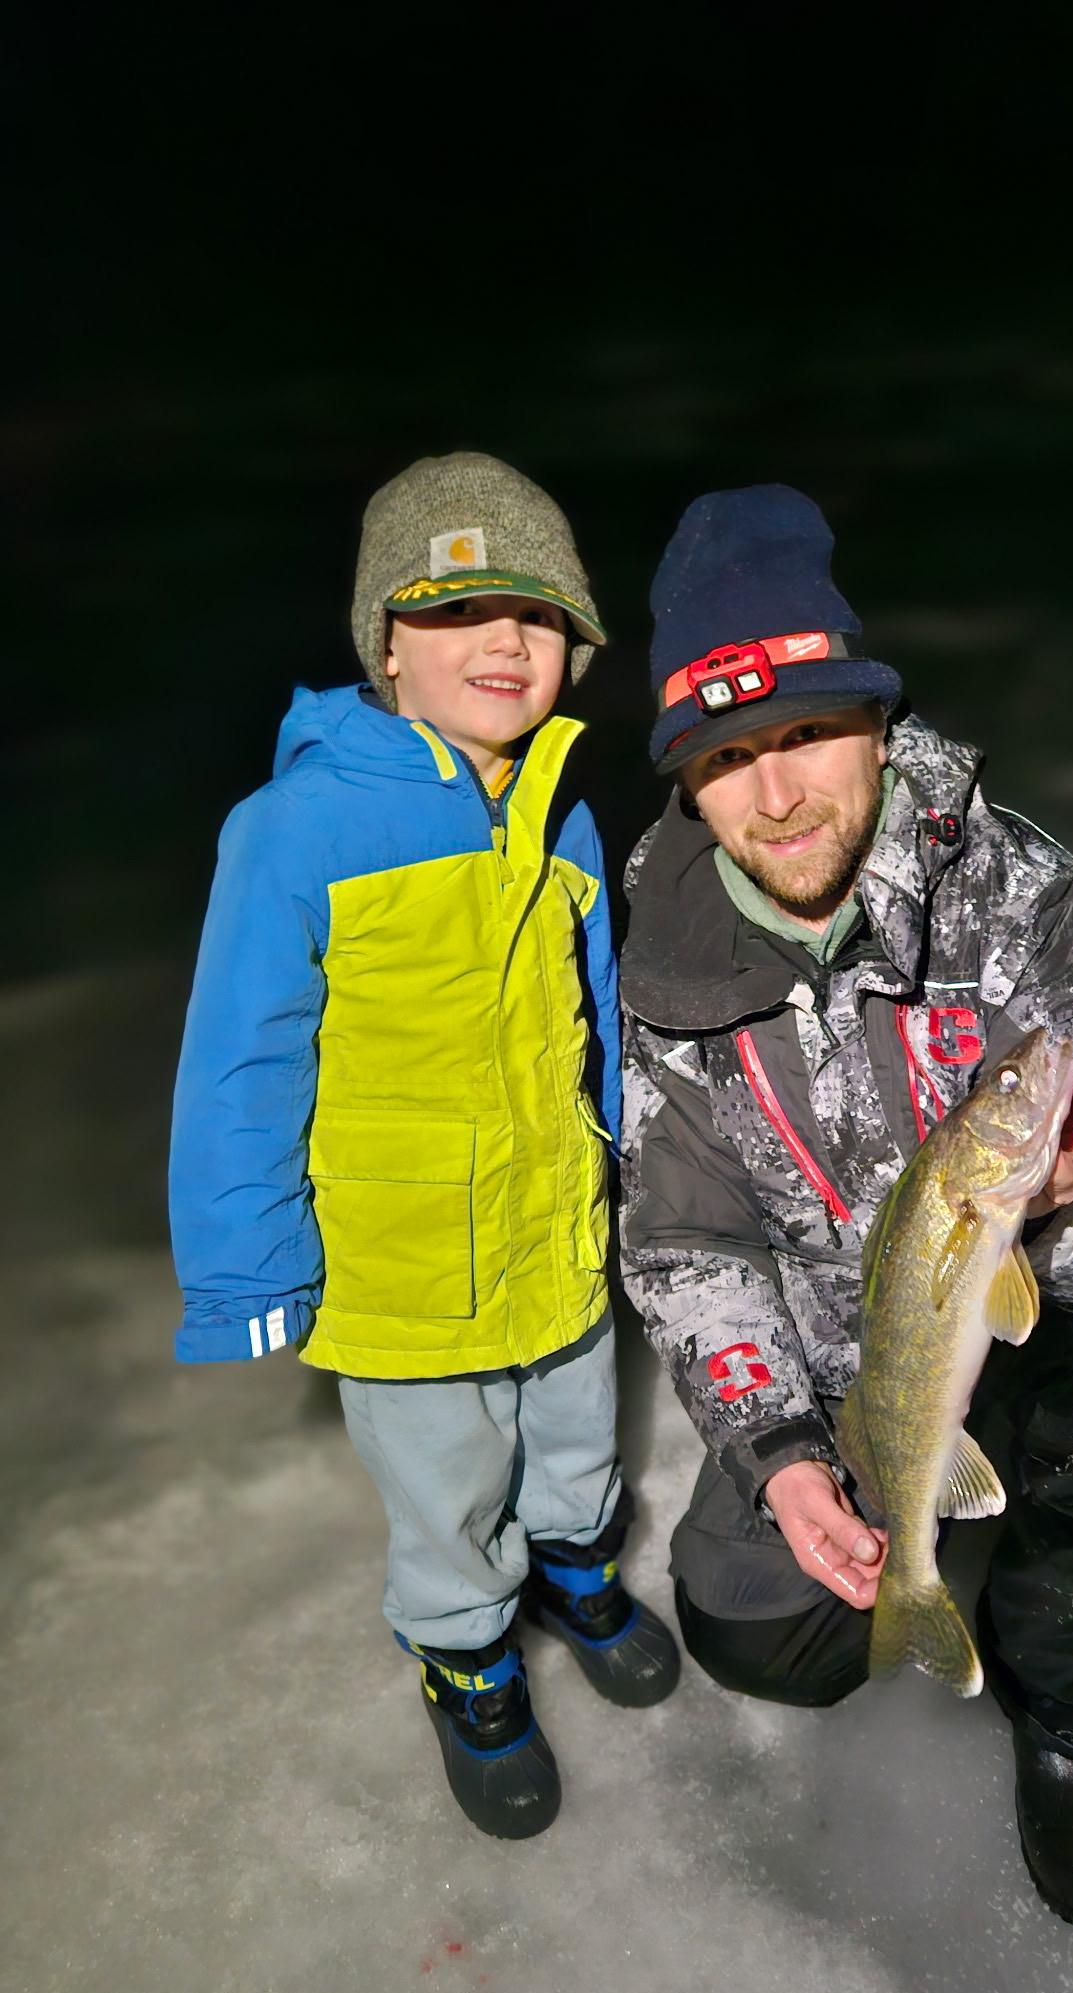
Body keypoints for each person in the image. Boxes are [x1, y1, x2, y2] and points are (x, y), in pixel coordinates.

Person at [618, 484, 1073, 1925]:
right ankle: (924, 1539)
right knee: (761, 1636)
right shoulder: (660, 959)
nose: (775, 795)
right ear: (683, 775)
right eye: (726, 757)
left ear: (874, 718)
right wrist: (785, 1451)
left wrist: (1072, 1201)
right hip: (848, 1365)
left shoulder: (1020, 893)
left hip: (1037, 1333)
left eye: (805, 734)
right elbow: (682, 1248)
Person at [169, 451, 678, 1843]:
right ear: (387, 646)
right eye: (458, 612)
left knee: (577, 1417)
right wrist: (244, 1266)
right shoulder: (295, 830)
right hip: (396, 1262)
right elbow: (240, 1058)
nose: (504, 641)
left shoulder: (562, 809)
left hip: (552, 1217)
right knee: (447, 1483)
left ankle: (576, 1566)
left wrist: (632, 1145)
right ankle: (467, 1656)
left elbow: (598, 1005)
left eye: (537, 615)